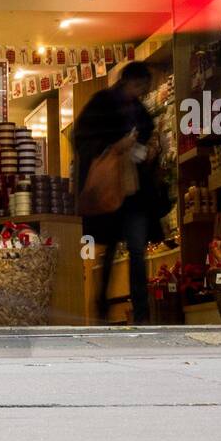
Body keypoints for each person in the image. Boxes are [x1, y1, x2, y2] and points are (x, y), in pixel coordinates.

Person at [72, 61, 163, 326]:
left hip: (133, 189)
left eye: (144, 87)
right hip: (110, 188)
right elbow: (83, 137)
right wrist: (114, 147)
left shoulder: (140, 111)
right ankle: (101, 307)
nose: (141, 91)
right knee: (111, 248)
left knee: (136, 248)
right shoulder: (101, 104)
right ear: (127, 81)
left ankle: (141, 311)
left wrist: (145, 151)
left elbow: (146, 135)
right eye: (138, 85)